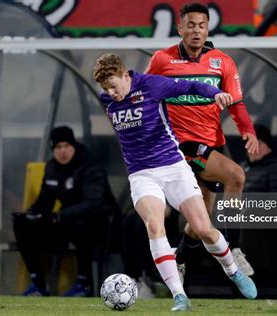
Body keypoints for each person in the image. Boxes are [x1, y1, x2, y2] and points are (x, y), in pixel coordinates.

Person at [93, 53, 257, 311]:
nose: (111, 92)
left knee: (204, 229)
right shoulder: (107, 100)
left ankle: (233, 271)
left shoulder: (151, 85)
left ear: (126, 75)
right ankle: (180, 296)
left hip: (173, 167)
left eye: (114, 85)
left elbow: (189, 86)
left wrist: (213, 94)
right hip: (141, 175)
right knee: (155, 227)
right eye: (106, 88)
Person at [146, 2, 258, 281]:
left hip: (211, 142)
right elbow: (145, 94)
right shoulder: (162, 60)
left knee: (200, 223)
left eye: (202, 25)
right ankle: (235, 249)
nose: (197, 31)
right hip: (179, 145)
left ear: (208, 28)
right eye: (191, 25)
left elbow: (237, 103)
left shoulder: (222, 62)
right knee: (236, 176)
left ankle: (179, 260)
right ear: (180, 28)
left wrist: (248, 130)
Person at [12, 126, 119, 297]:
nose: (63, 151)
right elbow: (44, 201)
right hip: (65, 221)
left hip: (100, 224)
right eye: (58, 147)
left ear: (74, 146)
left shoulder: (89, 167)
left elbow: (93, 204)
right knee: (22, 223)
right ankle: (38, 285)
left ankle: (84, 284)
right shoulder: (51, 168)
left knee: (82, 224)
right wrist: (31, 214)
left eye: (66, 146)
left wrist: (60, 216)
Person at [240, 124, 277, 296]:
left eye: (257, 143)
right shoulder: (241, 168)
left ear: (268, 146)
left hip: (265, 230)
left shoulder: (276, 169)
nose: (252, 149)